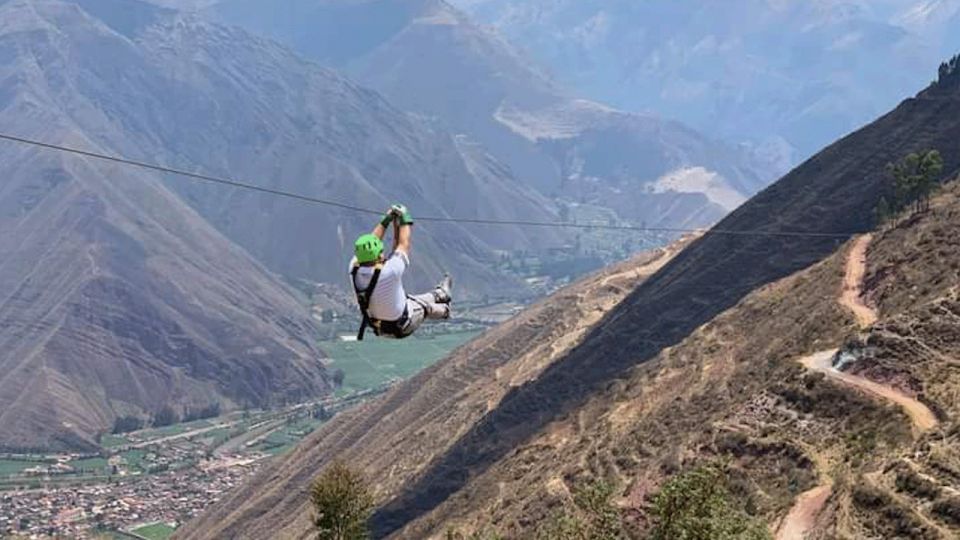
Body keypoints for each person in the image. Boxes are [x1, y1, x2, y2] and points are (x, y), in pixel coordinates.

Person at [349, 204, 452, 340]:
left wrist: (386, 221)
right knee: (423, 308)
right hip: (403, 325)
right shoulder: (389, 271)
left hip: (380, 327)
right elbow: (404, 244)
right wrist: (404, 219)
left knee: (411, 299)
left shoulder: (353, 268)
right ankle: (445, 310)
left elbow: (372, 241)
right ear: (378, 255)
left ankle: (441, 294)